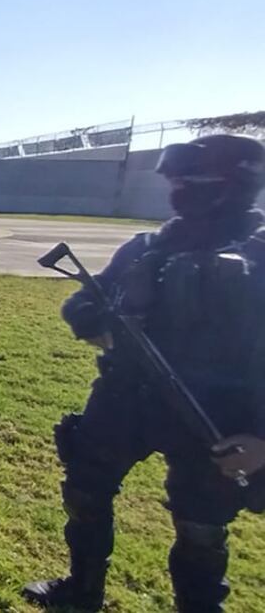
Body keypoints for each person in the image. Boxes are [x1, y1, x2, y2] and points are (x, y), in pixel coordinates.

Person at [22, 135, 265, 612]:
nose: (179, 193)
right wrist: (111, 334)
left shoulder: (256, 256)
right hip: (126, 396)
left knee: (201, 528)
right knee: (85, 489)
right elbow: (83, 305)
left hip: (216, 415)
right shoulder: (150, 246)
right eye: (176, 184)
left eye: (191, 183)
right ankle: (82, 589)